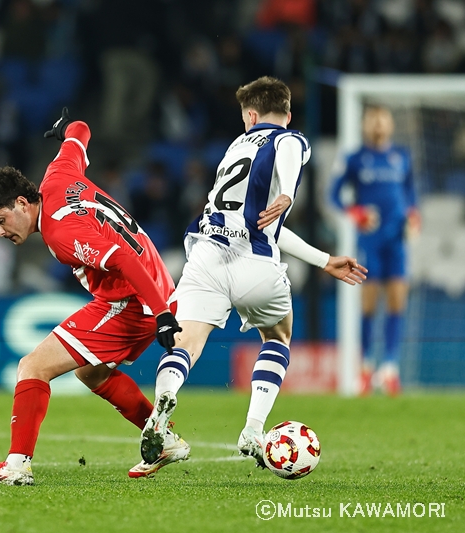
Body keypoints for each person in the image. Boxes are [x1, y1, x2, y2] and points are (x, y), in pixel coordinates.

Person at [137, 77, 368, 471]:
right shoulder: (290, 138)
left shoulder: (234, 147)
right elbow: (290, 155)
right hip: (255, 262)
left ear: (250, 114)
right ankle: (253, 428)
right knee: (278, 335)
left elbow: (268, 220)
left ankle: (163, 402)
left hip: (207, 256)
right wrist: (290, 195)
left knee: (186, 343)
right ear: (288, 114)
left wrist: (322, 258)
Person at [0, 108, 187, 485]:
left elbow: (120, 258)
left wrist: (162, 314)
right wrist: (64, 129)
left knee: (32, 367)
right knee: (91, 371)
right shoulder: (57, 174)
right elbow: (81, 131)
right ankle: (163, 437)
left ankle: (17, 464)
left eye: (0, 221)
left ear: (22, 204)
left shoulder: (60, 232)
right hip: (151, 284)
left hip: (135, 299)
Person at [330, 105, 419, 396]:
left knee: (397, 300)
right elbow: (333, 194)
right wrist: (355, 212)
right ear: (365, 125)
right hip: (369, 241)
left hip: (397, 240)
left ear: (390, 124)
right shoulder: (355, 159)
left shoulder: (401, 157)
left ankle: (390, 368)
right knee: (369, 303)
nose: (378, 124)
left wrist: (413, 216)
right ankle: (366, 367)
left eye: (383, 119)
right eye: (373, 120)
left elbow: (410, 193)